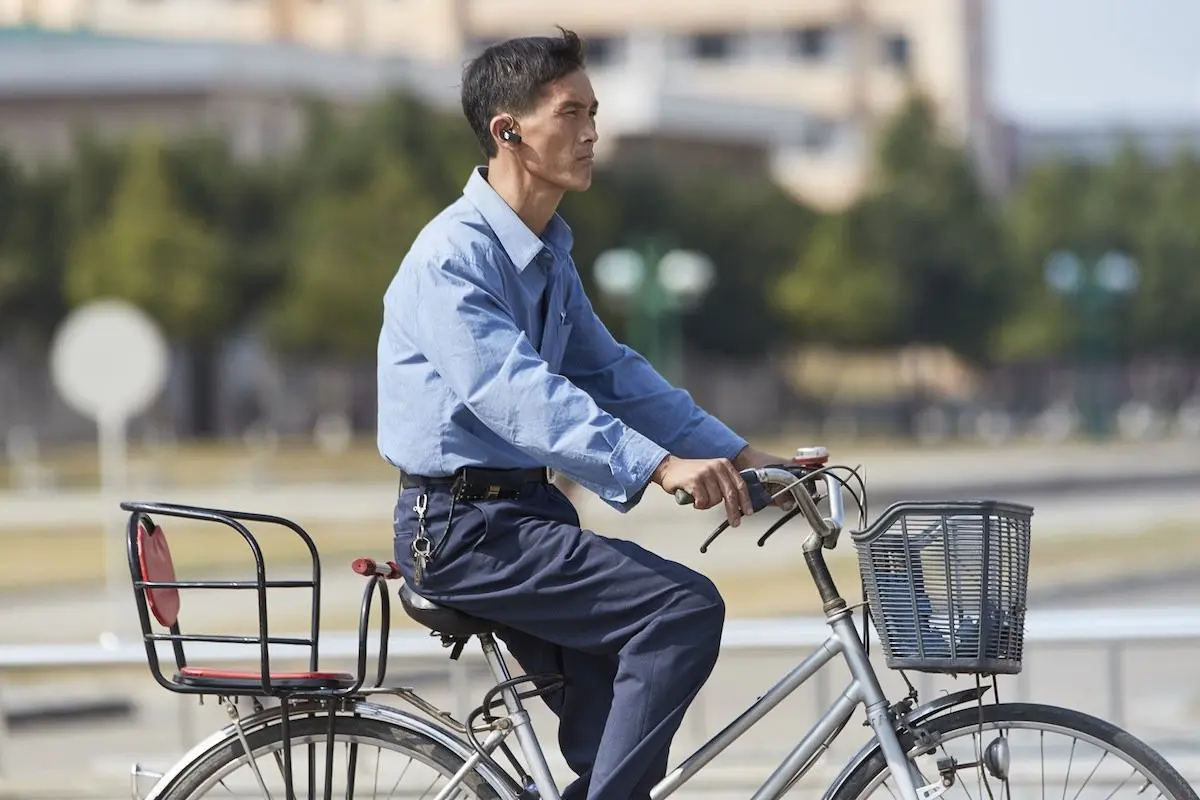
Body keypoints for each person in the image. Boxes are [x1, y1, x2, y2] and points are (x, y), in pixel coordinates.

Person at [376, 27, 791, 800]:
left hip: (524, 521)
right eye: (572, 113)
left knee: (614, 750)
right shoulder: (454, 257)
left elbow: (612, 375)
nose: (593, 132)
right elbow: (513, 389)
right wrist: (658, 466)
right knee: (681, 608)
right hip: (464, 532)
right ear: (510, 132)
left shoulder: (546, 252)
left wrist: (744, 457)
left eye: (594, 111)